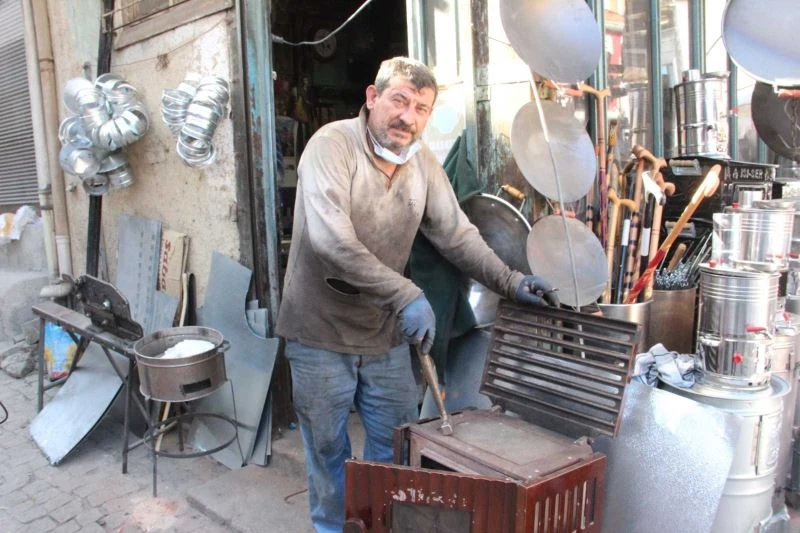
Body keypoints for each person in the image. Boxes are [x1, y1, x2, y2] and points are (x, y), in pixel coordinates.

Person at [275, 56, 559, 533]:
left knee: (393, 449)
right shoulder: (332, 146)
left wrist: (511, 281)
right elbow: (331, 242)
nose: (408, 117)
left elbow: (458, 236)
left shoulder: (422, 163)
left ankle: (380, 526)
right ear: (373, 98)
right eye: (399, 101)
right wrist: (406, 294)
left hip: (384, 334)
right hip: (319, 332)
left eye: (421, 108)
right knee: (327, 450)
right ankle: (332, 528)